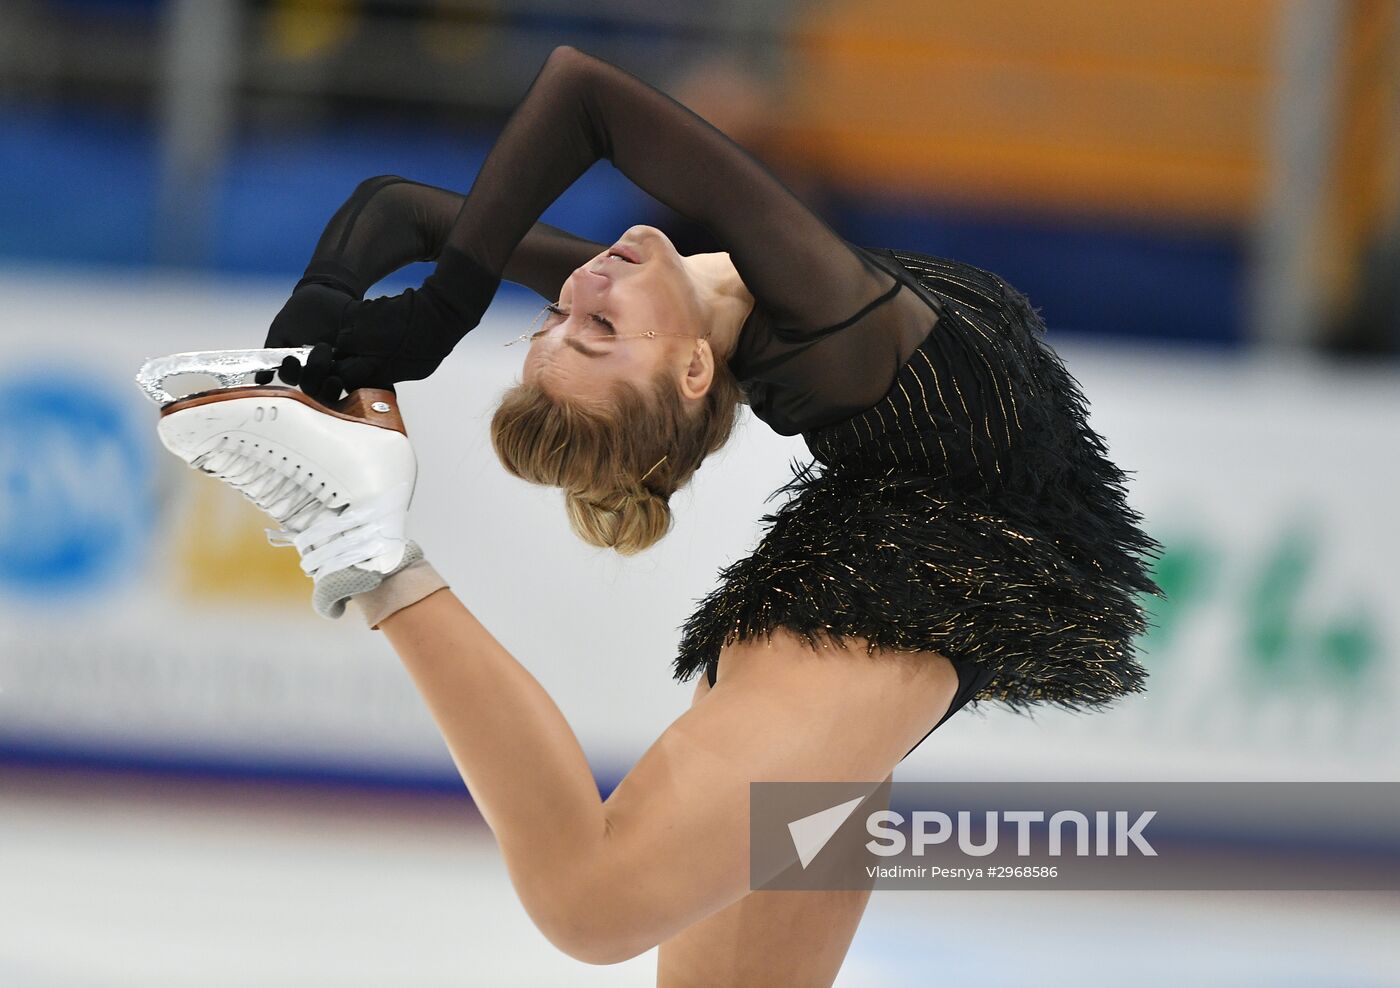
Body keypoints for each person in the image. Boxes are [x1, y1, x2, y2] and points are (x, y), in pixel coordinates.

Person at [204, 44, 1162, 984]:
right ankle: (367, 552)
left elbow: (401, 210)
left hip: (903, 582)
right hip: (891, 596)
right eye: (600, 329)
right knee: (593, 903)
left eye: (559, 322)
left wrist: (309, 336)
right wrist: (431, 313)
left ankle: (370, 551)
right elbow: (584, 101)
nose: (578, 293)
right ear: (692, 370)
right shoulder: (825, 315)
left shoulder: (666, 291)